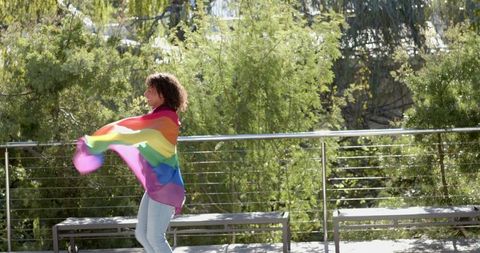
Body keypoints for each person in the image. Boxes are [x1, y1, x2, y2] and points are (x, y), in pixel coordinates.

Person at [73, 73, 188, 253]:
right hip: (155, 186)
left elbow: (130, 136)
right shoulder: (157, 118)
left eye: (150, 91)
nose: (145, 94)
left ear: (163, 95)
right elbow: (133, 136)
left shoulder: (166, 121)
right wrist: (100, 142)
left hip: (167, 187)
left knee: (155, 237)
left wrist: (97, 142)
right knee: (142, 235)